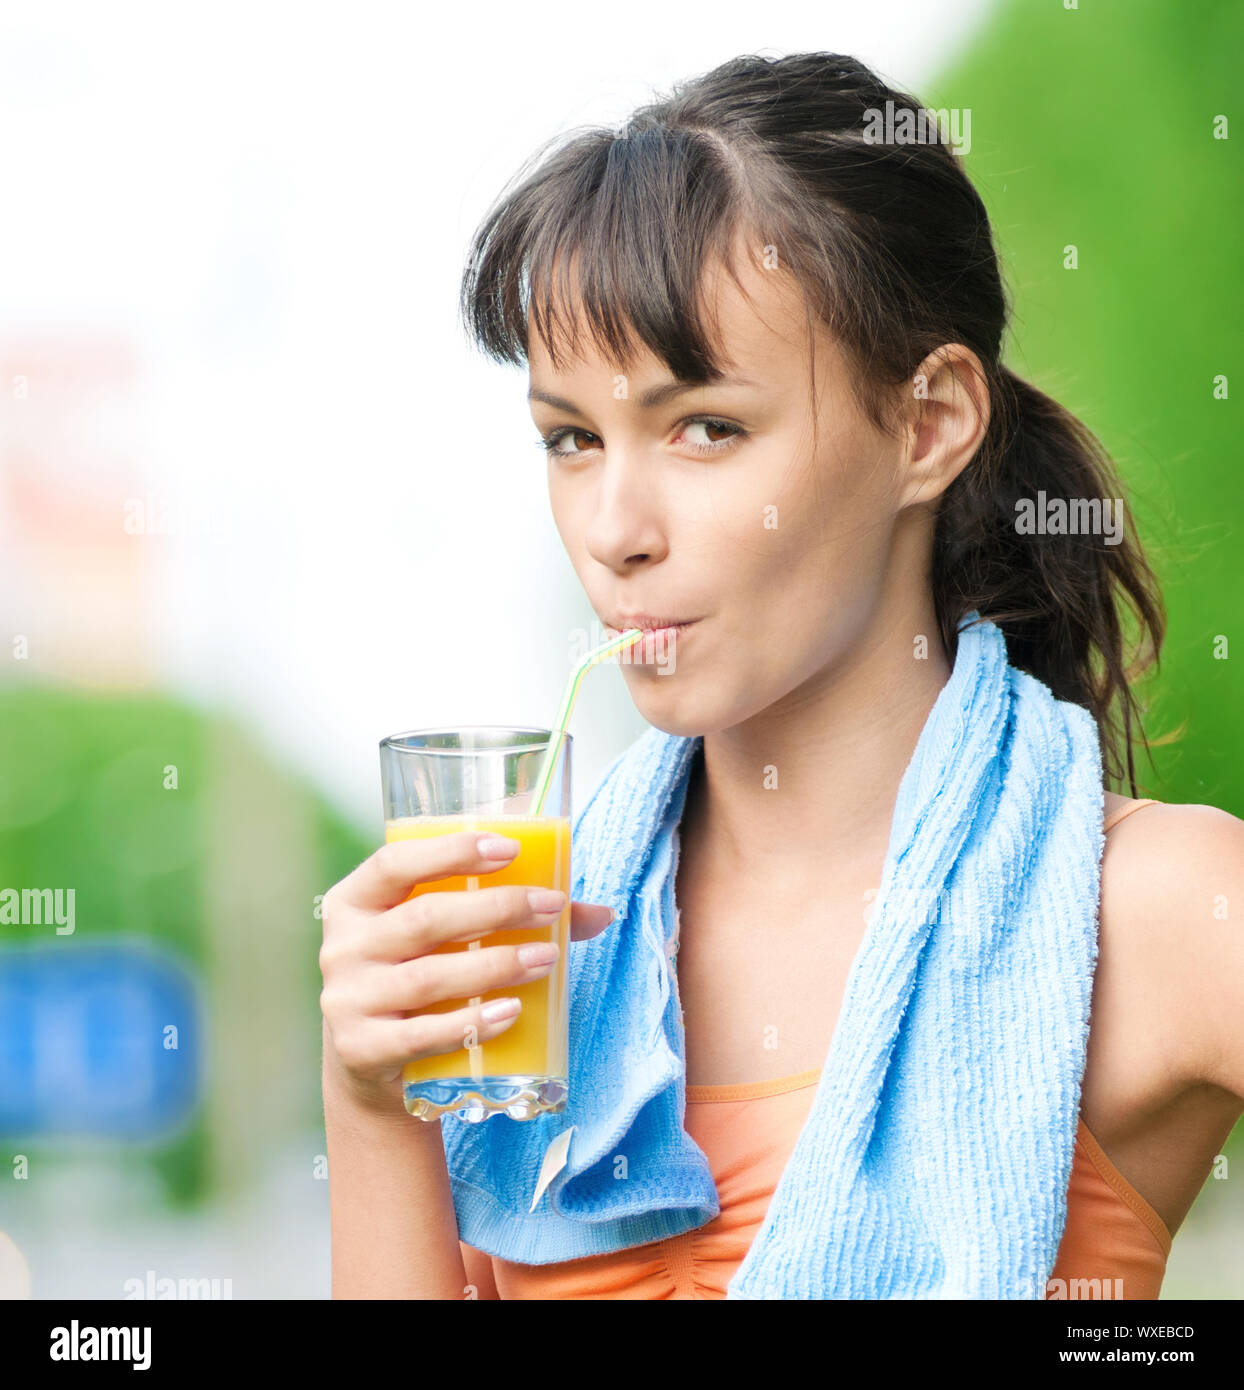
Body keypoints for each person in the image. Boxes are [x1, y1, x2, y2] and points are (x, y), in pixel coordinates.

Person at [319, 52, 1244, 1299]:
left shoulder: (1159, 908)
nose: (613, 527)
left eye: (705, 426)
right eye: (571, 440)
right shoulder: (532, 964)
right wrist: (373, 1098)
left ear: (926, 425)